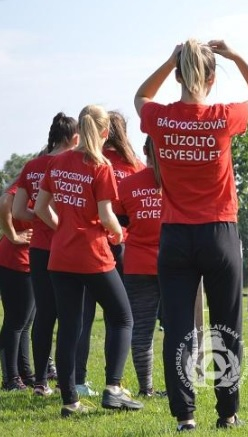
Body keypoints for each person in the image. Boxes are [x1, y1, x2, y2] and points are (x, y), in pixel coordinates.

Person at [134, 38, 248, 431]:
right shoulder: (224, 116)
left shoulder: (159, 118)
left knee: (177, 327)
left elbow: (142, 94)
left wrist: (169, 59)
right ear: (212, 78)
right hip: (219, 233)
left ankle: (185, 417)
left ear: (177, 74)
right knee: (226, 325)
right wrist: (237, 56)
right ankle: (227, 414)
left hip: (175, 236)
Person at [34, 104, 143, 417]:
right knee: (123, 317)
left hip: (61, 256)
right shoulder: (101, 165)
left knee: (68, 326)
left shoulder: (56, 162)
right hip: (93, 254)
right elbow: (108, 216)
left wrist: (64, 228)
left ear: (80, 130)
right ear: (105, 132)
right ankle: (113, 388)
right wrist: (119, 235)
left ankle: (70, 401)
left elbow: (41, 208)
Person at [76, 110, 146, 397]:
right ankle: (112, 381)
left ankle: (78, 381)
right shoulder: (136, 166)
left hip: (86, 243)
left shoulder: (87, 162)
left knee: (83, 316)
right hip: (120, 246)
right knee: (117, 317)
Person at [13, 112, 78, 396]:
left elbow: (17, 211)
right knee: (70, 316)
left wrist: (40, 220)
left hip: (38, 250)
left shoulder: (31, 166)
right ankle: (68, 381)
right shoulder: (71, 164)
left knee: (44, 316)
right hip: (68, 249)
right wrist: (62, 225)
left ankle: (40, 382)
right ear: (74, 139)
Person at [113, 136, 165, 397]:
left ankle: (146, 388)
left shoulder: (128, 184)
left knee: (142, 330)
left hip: (137, 264)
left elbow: (118, 219)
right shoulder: (178, 182)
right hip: (176, 265)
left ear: (144, 150)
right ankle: (181, 386)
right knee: (180, 329)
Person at [0, 184, 34, 391]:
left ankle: (24, 373)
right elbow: (4, 201)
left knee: (25, 323)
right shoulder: (28, 180)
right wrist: (13, 235)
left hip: (32, 260)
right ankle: (10, 379)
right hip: (16, 260)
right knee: (15, 322)